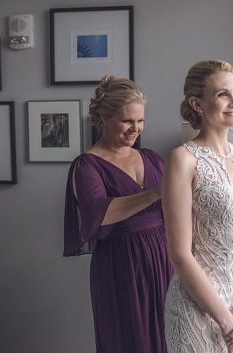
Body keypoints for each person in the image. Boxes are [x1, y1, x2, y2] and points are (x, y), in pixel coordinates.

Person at [63, 75, 173, 353]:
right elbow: (99, 212)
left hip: (163, 258)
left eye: (140, 121)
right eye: (127, 121)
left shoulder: (150, 157)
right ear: (104, 117)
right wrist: (155, 193)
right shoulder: (87, 164)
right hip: (121, 264)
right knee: (129, 339)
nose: (135, 128)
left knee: (169, 336)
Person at [163, 60, 233, 353]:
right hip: (197, 312)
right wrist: (226, 322)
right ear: (197, 103)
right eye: (223, 94)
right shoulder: (183, 160)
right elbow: (180, 254)